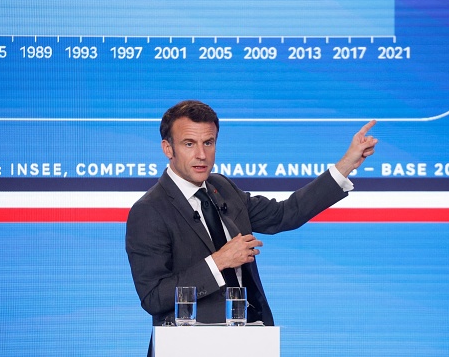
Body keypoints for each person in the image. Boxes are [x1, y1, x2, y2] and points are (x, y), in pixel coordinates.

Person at [125, 100, 377, 354]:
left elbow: (284, 214)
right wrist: (218, 261)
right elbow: (154, 297)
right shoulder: (149, 210)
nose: (201, 155)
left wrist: (347, 163)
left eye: (208, 143)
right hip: (187, 347)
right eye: (189, 144)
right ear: (168, 148)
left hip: (246, 343)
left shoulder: (221, 187)